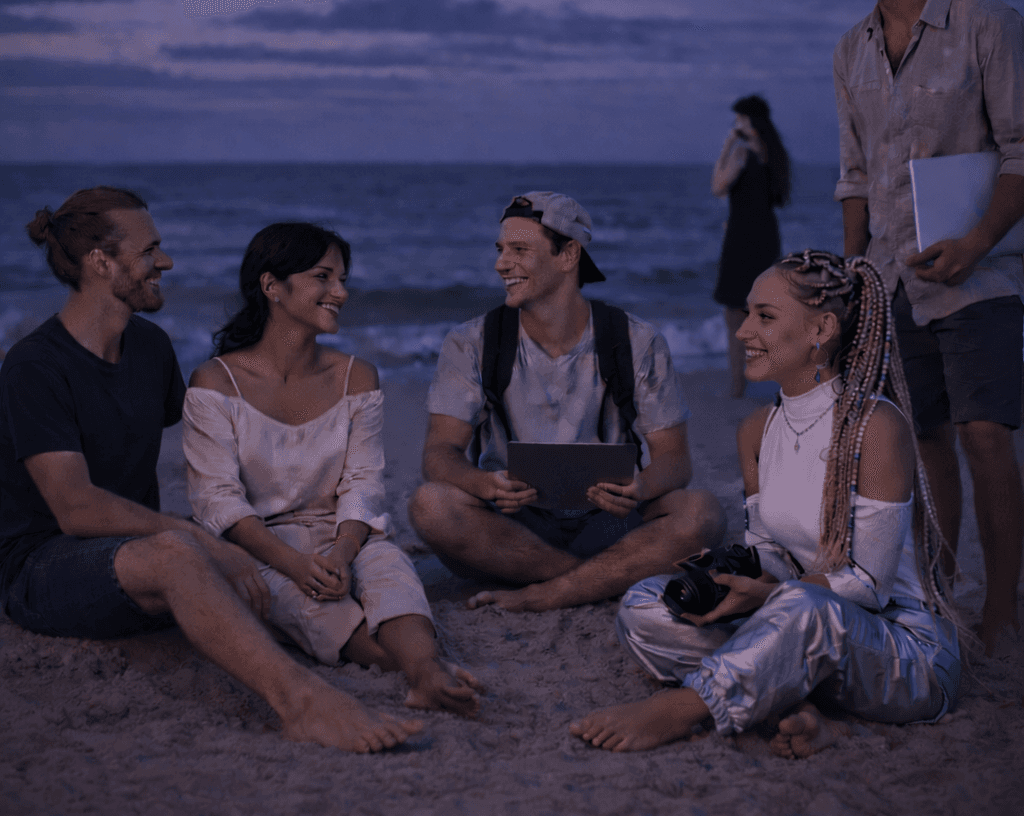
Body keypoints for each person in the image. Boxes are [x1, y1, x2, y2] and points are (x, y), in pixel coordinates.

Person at [0, 187, 423, 754]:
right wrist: (199, 537)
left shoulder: (148, 348)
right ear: (102, 262)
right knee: (189, 550)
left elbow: (229, 446)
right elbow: (76, 509)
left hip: (132, 550)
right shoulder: (34, 366)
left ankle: (400, 654)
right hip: (42, 567)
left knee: (246, 552)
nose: (166, 262)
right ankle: (303, 703)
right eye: (151, 250)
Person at [571, 250, 961, 754]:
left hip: (901, 651)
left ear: (821, 328)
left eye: (766, 317)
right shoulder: (757, 430)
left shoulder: (876, 427)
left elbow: (867, 586)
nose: (742, 332)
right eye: (748, 313)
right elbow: (768, 548)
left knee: (805, 607)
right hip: (800, 628)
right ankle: (803, 707)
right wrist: (737, 579)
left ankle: (686, 708)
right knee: (645, 604)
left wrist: (773, 596)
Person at [828, 0, 1024, 652]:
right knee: (925, 440)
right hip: (890, 283)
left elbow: (1021, 150)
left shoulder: (988, 23)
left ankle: (1003, 614)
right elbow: (853, 179)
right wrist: (850, 288)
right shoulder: (849, 53)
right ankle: (943, 596)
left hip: (982, 276)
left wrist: (977, 242)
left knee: (985, 435)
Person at [185, 222, 481, 716]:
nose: (340, 292)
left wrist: (344, 551)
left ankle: (427, 673)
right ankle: (423, 672)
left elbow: (363, 481)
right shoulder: (216, 382)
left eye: (343, 279)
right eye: (324, 277)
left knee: (391, 572)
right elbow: (217, 501)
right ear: (272, 286)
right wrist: (294, 564)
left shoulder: (355, 375)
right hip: (259, 548)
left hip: (344, 533)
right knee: (318, 610)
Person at [407, 191, 725, 612]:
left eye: (520, 250)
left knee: (702, 513)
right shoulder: (470, 342)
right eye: (501, 250)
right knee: (430, 506)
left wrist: (642, 486)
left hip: (609, 521)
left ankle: (550, 589)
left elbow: (675, 461)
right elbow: (438, 454)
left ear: (568, 254)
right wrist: (481, 483)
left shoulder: (636, 340)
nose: (501, 263)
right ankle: (592, 579)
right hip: (512, 524)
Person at [711, 94, 791, 398]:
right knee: (762, 309)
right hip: (767, 237)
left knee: (734, 313)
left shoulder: (743, 154)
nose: (735, 124)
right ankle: (774, 371)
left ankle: (737, 383)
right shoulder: (775, 155)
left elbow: (717, 186)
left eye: (739, 119)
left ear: (749, 121)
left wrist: (727, 144)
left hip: (741, 238)